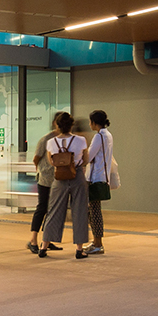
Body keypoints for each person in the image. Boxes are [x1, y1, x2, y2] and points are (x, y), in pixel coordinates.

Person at [37, 111, 89, 259]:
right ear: (71, 125)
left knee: (54, 211)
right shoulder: (81, 140)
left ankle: (44, 246)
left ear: (57, 126)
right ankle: (79, 249)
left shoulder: (51, 142)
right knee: (79, 211)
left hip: (59, 177)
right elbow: (85, 159)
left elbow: (51, 161)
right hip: (77, 176)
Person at [83, 109, 118, 256]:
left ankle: (98, 243)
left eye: (90, 121)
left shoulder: (99, 137)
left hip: (95, 178)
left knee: (94, 211)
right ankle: (97, 242)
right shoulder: (108, 135)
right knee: (95, 210)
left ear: (94, 122)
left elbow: (89, 156)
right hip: (102, 177)